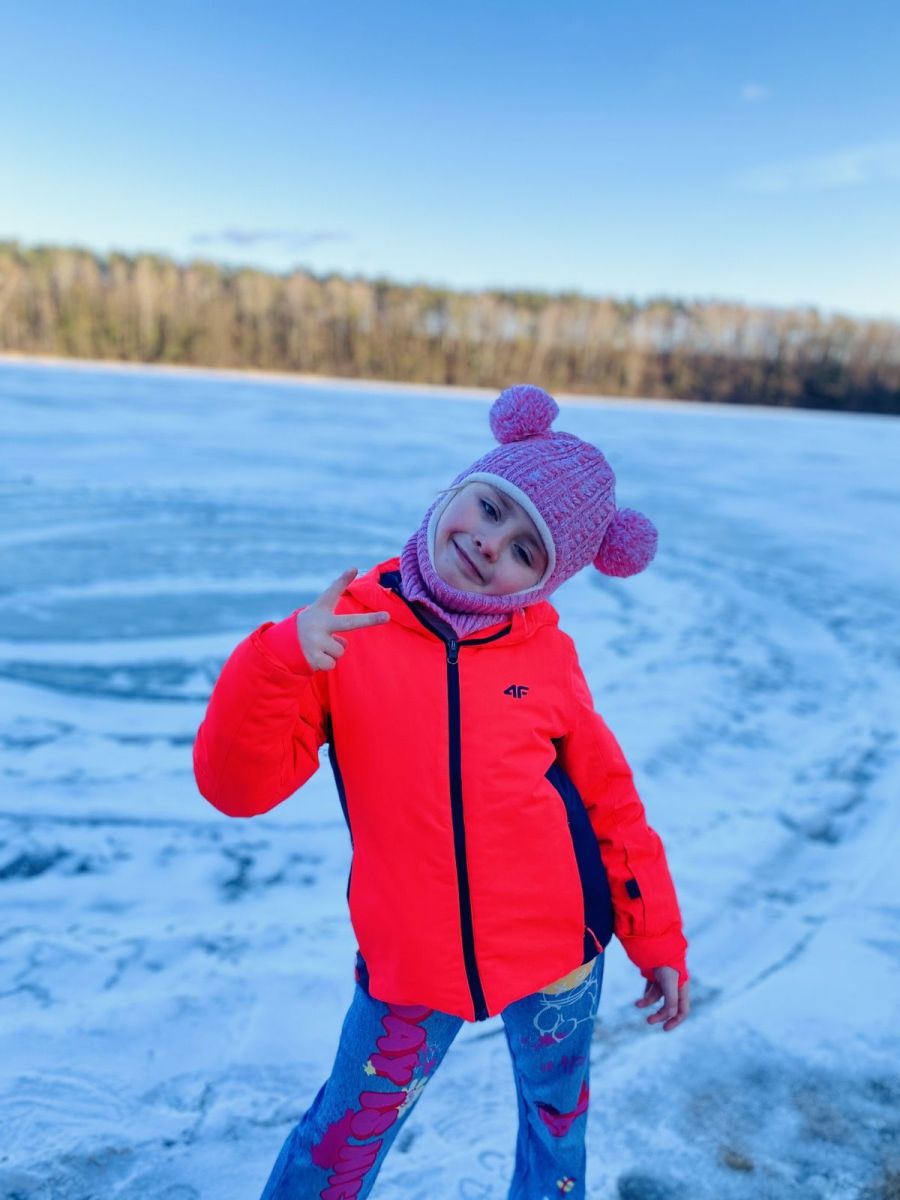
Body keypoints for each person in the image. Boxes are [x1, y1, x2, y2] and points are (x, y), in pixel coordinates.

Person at [192, 383, 691, 1200]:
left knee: (556, 1130)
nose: (491, 543)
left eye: (526, 550)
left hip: (561, 953)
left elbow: (612, 806)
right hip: (412, 962)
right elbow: (237, 790)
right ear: (459, 488)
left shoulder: (548, 658)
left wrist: (657, 940)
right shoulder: (348, 629)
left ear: (545, 581)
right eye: (491, 508)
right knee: (341, 1140)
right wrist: (279, 659)